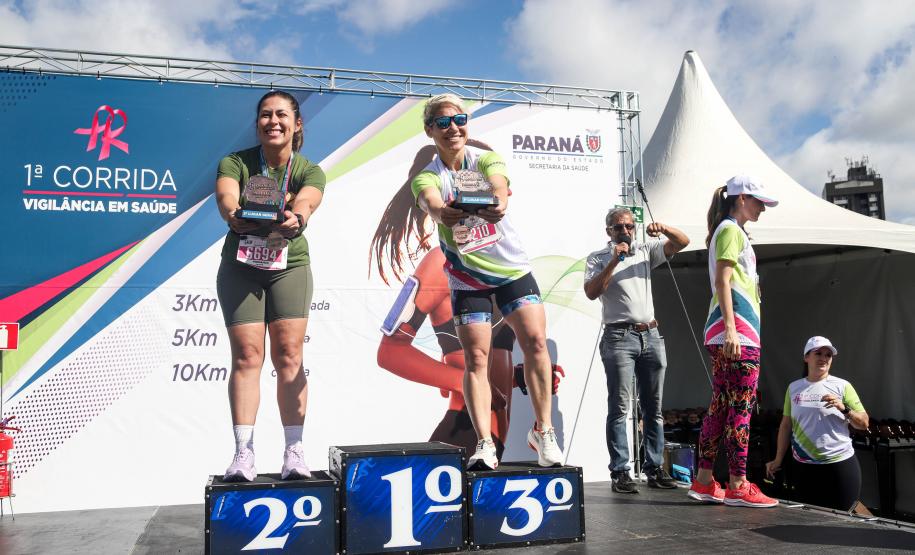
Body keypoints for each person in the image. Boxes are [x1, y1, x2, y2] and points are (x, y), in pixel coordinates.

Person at [411, 93, 562, 469]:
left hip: (512, 272)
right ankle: (484, 444)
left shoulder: (486, 158)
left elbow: (498, 189)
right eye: (443, 122)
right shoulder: (428, 175)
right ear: (430, 130)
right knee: (475, 359)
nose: (453, 128)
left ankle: (543, 432)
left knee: (536, 344)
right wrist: (442, 210)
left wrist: (494, 200)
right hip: (468, 281)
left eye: (459, 119)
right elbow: (430, 200)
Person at [370, 142, 518, 457]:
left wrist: (521, 376)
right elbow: (390, 352)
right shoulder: (439, 263)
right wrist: (459, 380)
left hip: (496, 434)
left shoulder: (508, 260)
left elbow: (493, 353)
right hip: (464, 428)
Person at [214, 90, 326, 481]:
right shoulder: (236, 161)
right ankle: (243, 454)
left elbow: (308, 201)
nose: (272, 121)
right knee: (246, 356)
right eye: (265, 115)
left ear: (297, 124)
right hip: (241, 265)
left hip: (288, 265)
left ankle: (294, 452)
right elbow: (227, 195)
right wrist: (233, 215)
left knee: (289, 356)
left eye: (281, 115)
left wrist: (295, 217)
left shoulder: (309, 169)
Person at [687, 174, 778, 508]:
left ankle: (705, 480)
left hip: (732, 330)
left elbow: (729, 281)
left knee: (722, 406)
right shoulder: (730, 231)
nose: (762, 209)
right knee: (740, 407)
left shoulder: (729, 231)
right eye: (758, 202)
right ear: (741, 199)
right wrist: (731, 329)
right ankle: (738, 483)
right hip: (737, 333)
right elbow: (723, 282)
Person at [584, 208, 689, 493]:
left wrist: (663, 227)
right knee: (619, 407)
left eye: (630, 226)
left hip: (651, 334)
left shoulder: (645, 250)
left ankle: (654, 468)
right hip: (619, 336)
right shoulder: (598, 257)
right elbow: (592, 292)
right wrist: (614, 262)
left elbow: (683, 242)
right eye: (619, 227)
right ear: (609, 231)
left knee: (653, 407)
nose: (626, 232)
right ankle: (620, 471)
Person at [765, 336, 869, 511]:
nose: (823, 358)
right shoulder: (793, 388)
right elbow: (785, 426)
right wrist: (778, 459)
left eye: (828, 355)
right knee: (810, 520)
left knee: (844, 521)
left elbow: (864, 423)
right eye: (818, 353)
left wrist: (845, 409)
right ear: (806, 357)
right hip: (804, 467)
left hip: (839, 464)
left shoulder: (842, 386)